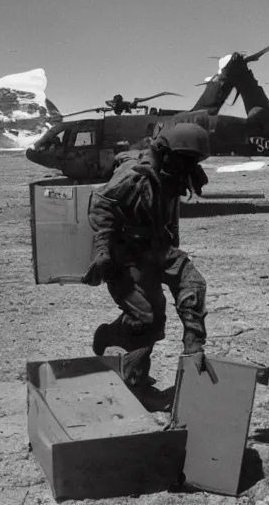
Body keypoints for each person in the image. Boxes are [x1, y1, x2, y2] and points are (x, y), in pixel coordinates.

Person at [82, 123, 212, 400]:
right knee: (148, 318)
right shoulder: (134, 175)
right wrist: (103, 251)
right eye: (185, 159)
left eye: (194, 160)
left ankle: (194, 349)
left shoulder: (176, 173)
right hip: (125, 253)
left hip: (156, 248)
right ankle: (116, 346)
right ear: (166, 152)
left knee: (193, 284)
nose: (189, 165)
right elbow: (102, 203)